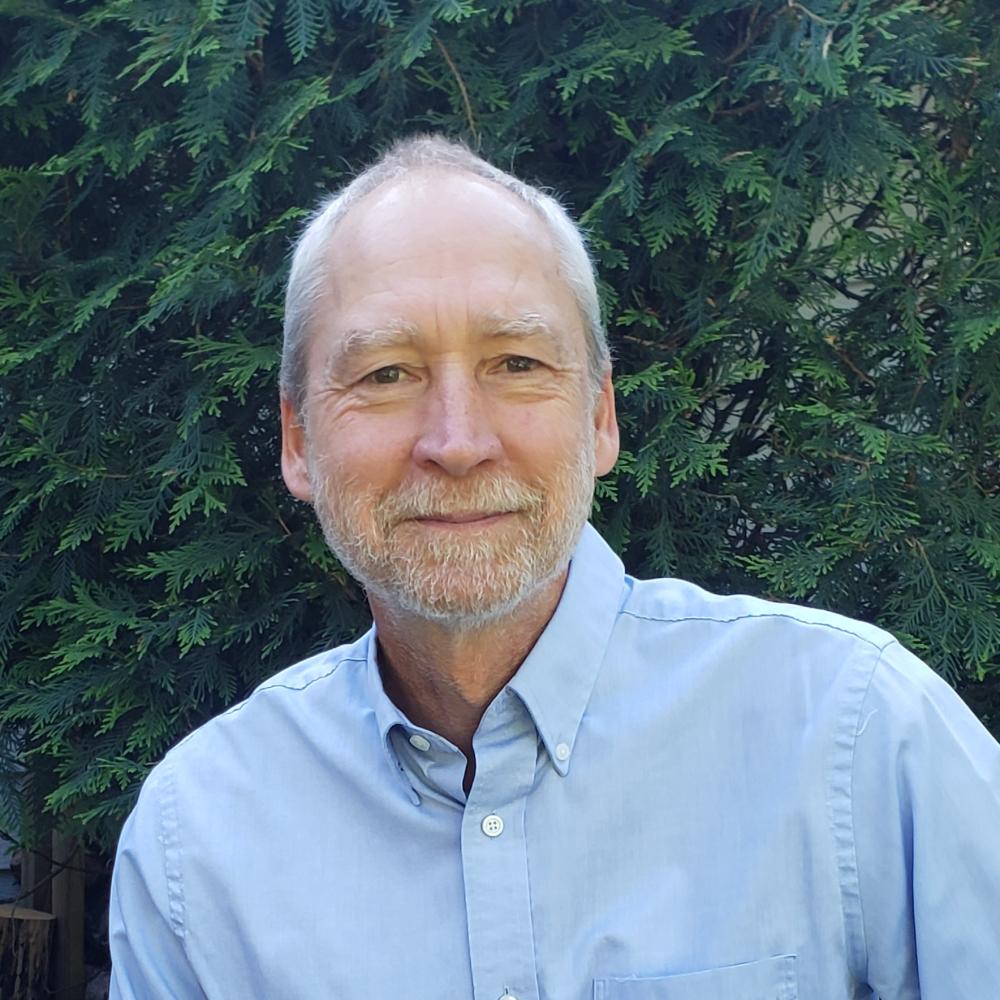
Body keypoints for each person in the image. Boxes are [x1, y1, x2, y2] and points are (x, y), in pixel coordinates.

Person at [109, 136, 1000, 1000]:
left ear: (602, 416)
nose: (457, 442)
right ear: (299, 442)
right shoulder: (200, 843)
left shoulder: (859, 737)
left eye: (518, 363)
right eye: (385, 373)